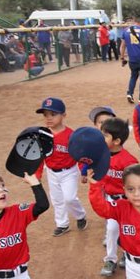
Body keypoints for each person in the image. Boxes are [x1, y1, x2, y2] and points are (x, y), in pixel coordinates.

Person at [92, 116, 140, 276]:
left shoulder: (129, 161)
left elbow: (135, 183)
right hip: (110, 200)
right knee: (112, 229)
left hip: (126, 201)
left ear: (117, 141)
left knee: (128, 230)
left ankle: (127, 254)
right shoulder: (101, 155)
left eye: (105, 135)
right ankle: (111, 259)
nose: (101, 138)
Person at [37, 97, 88, 236]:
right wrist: (37, 174)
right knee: (57, 200)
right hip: (51, 172)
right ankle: (62, 224)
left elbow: (80, 155)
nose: (49, 118)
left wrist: (84, 171)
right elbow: (39, 156)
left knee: (69, 198)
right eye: (45, 115)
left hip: (69, 171)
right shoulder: (42, 134)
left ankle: (80, 215)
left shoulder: (71, 135)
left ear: (63, 115)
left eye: (53, 114)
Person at [122, 17, 140, 103]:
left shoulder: (126, 31)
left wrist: (122, 58)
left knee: (133, 76)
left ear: (135, 22)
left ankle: (130, 94)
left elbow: (122, 46)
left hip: (132, 59)